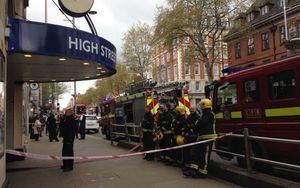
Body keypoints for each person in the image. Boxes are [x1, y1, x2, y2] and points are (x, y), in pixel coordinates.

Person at [183, 98, 217, 178]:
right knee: (194, 153)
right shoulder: (204, 114)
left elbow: (201, 123)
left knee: (204, 156)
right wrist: (196, 123)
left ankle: (202, 172)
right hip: (201, 137)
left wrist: (197, 123)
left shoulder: (210, 114)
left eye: (201, 105)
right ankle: (193, 170)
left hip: (208, 137)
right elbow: (197, 124)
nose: (200, 107)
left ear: (204, 105)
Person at [182, 105, 201, 172]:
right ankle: (187, 166)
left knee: (192, 153)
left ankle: (192, 167)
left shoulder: (197, 117)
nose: (191, 110)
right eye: (190, 109)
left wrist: (189, 132)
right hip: (188, 137)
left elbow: (196, 127)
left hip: (194, 137)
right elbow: (186, 125)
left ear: (195, 109)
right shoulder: (189, 116)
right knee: (187, 151)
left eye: (192, 109)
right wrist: (184, 131)